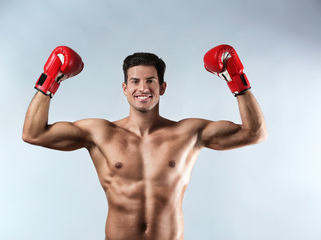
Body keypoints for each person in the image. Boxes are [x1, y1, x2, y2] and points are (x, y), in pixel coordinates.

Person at [22, 44, 267, 240]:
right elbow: (33, 133)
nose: (143, 88)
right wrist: (50, 79)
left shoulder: (188, 132)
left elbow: (255, 133)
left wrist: (235, 77)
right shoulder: (100, 133)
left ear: (162, 87)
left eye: (150, 81)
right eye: (135, 81)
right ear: (124, 88)